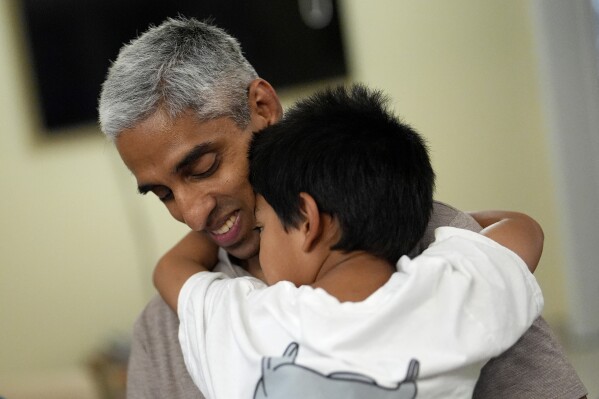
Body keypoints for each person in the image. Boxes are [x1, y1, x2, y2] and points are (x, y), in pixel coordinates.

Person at [98, 16, 587, 399]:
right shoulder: (165, 327)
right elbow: (523, 234)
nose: (191, 212)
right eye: (162, 194)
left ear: (263, 109)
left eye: (202, 166)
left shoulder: (431, 240)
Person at [153, 84, 544, 398]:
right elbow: (523, 229)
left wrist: (219, 224)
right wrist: (408, 213)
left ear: (306, 220)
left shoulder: (250, 324)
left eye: (262, 227)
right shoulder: (448, 296)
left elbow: (171, 270)